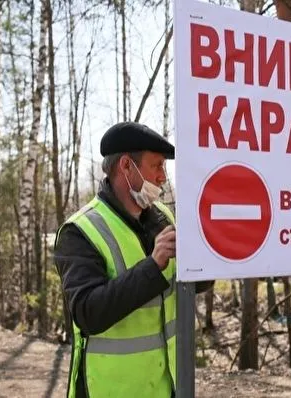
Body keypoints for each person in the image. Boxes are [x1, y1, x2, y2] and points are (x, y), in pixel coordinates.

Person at [54, 122, 214, 398]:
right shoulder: (80, 231)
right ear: (126, 166)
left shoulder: (163, 216)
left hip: (168, 387)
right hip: (111, 390)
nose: (163, 177)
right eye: (157, 166)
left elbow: (192, 286)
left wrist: (206, 255)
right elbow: (88, 313)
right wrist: (153, 266)